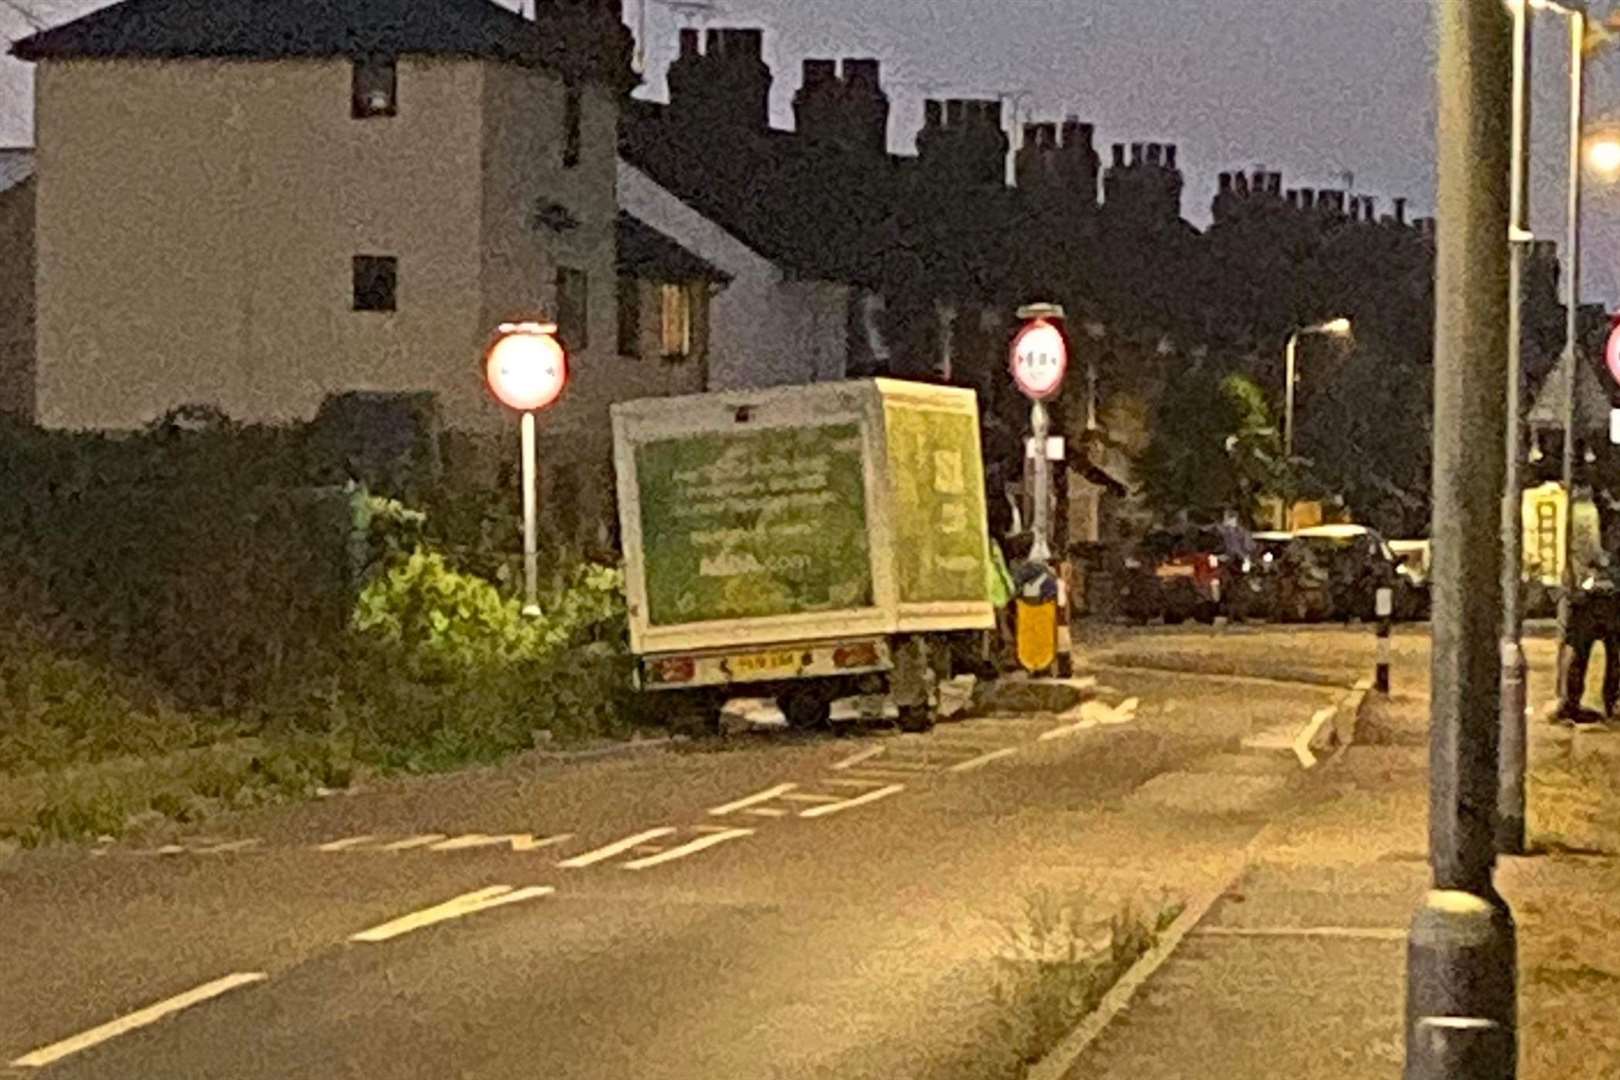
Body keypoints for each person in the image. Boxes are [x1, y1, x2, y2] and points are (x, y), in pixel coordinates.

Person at [1558, 477, 1620, 724]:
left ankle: (1573, 703)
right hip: (1609, 595)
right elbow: (1598, 555)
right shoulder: (1592, 514)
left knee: (1580, 652)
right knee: (1613, 653)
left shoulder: (1581, 512)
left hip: (1587, 595)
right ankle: (1610, 702)